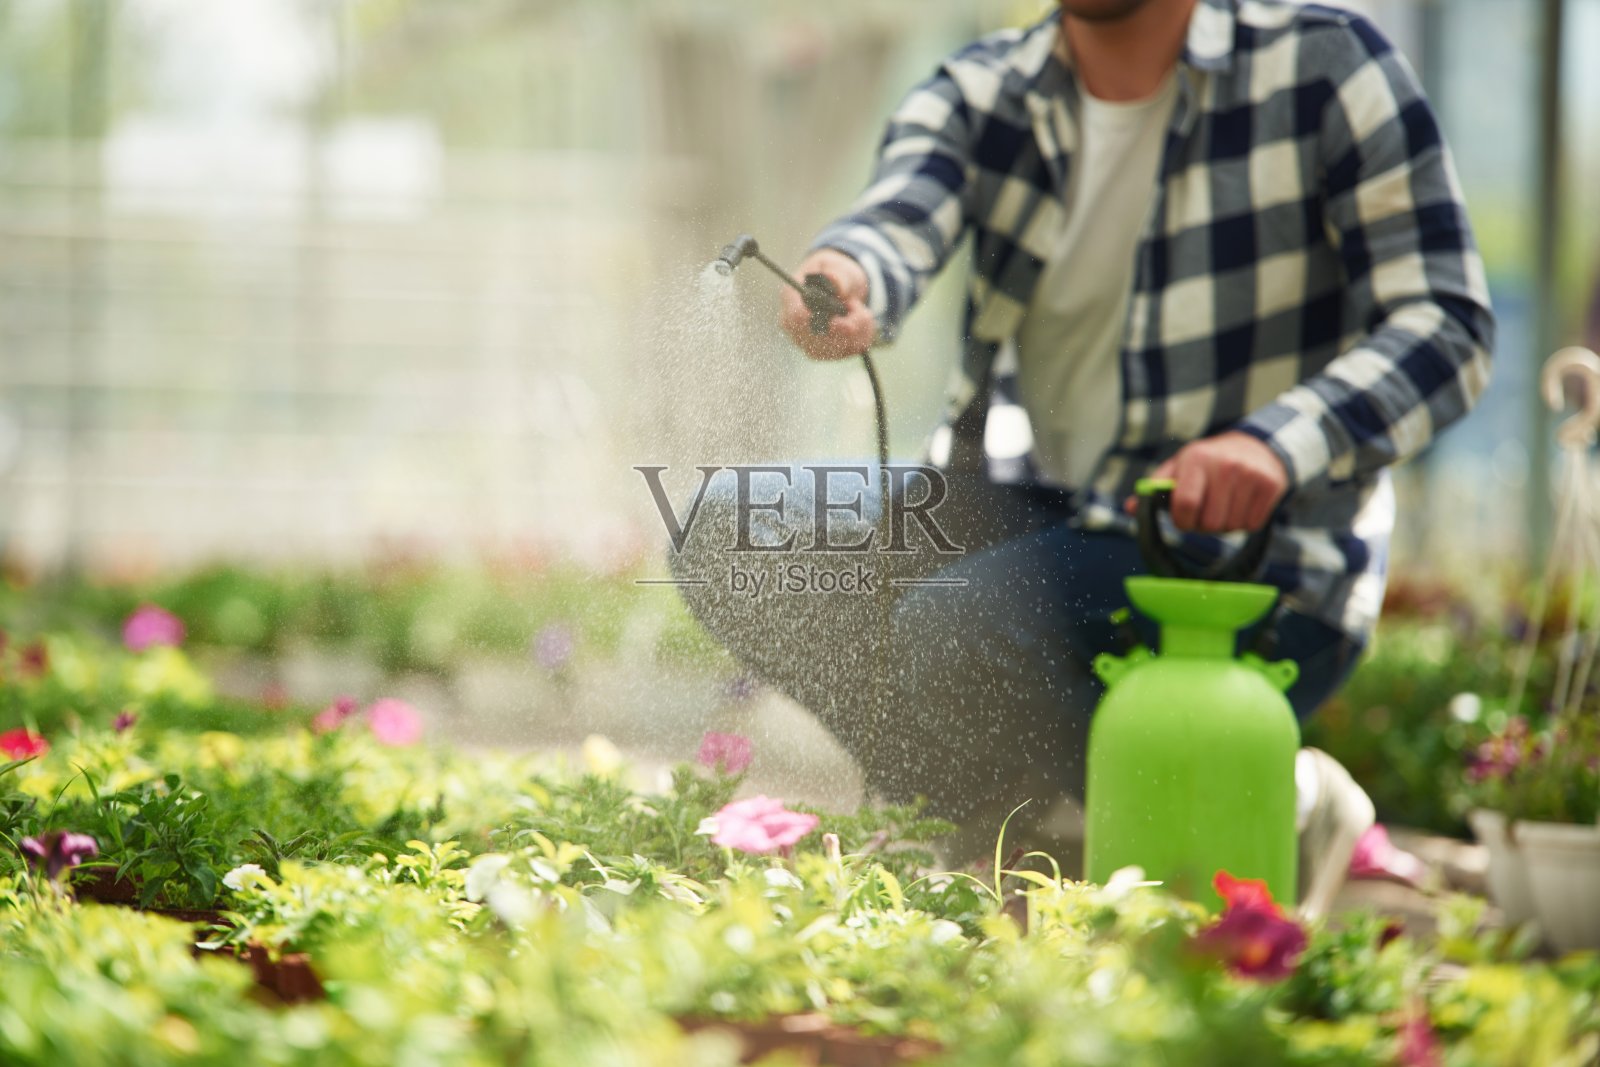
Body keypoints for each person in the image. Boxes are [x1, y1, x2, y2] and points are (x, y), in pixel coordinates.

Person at [673, 0, 1492, 917]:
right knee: (735, 532)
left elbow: (1447, 324)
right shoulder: (985, 91)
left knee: (962, 627)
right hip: (1040, 508)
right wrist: (846, 276)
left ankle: (1246, 803)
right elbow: (895, 220)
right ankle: (1016, 831)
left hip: (1250, 562)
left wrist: (1276, 443)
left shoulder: (1325, 67)